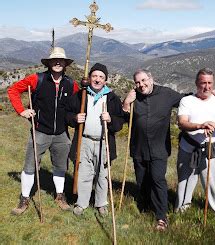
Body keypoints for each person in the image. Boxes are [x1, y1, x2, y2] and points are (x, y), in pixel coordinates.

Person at [7, 47, 79, 215]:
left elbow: (78, 102)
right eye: (54, 60)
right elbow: (13, 90)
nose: (58, 62)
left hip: (62, 133)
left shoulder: (70, 84)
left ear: (65, 64)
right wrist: (21, 111)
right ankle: (24, 198)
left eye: (61, 60)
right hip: (40, 131)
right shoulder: (37, 79)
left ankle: (60, 196)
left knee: (60, 166)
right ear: (49, 63)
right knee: (30, 165)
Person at [122, 69, 184, 231]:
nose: (141, 85)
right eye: (138, 82)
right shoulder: (134, 97)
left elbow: (187, 100)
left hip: (159, 148)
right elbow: (122, 117)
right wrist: (126, 102)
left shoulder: (166, 94)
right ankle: (146, 206)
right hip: (139, 147)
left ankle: (161, 216)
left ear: (151, 78)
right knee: (142, 180)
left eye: (144, 80)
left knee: (157, 179)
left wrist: (209, 94)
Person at [174, 68, 215, 225]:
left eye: (210, 83)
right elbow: (182, 122)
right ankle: (181, 212)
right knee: (184, 182)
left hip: (212, 150)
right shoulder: (187, 101)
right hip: (189, 148)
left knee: (213, 184)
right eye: (203, 83)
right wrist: (201, 125)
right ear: (196, 83)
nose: (206, 87)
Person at [65, 63, 124, 216]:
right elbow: (67, 113)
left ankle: (101, 204)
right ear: (90, 78)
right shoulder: (81, 95)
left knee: (102, 174)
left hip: (103, 141)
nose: (97, 79)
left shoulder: (112, 98)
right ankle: (81, 203)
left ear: (105, 80)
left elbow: (119, 123)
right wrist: (74, 117)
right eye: (94, 76)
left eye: (101, 77)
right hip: (84, 140)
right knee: (84, 173)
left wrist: (110, 119)